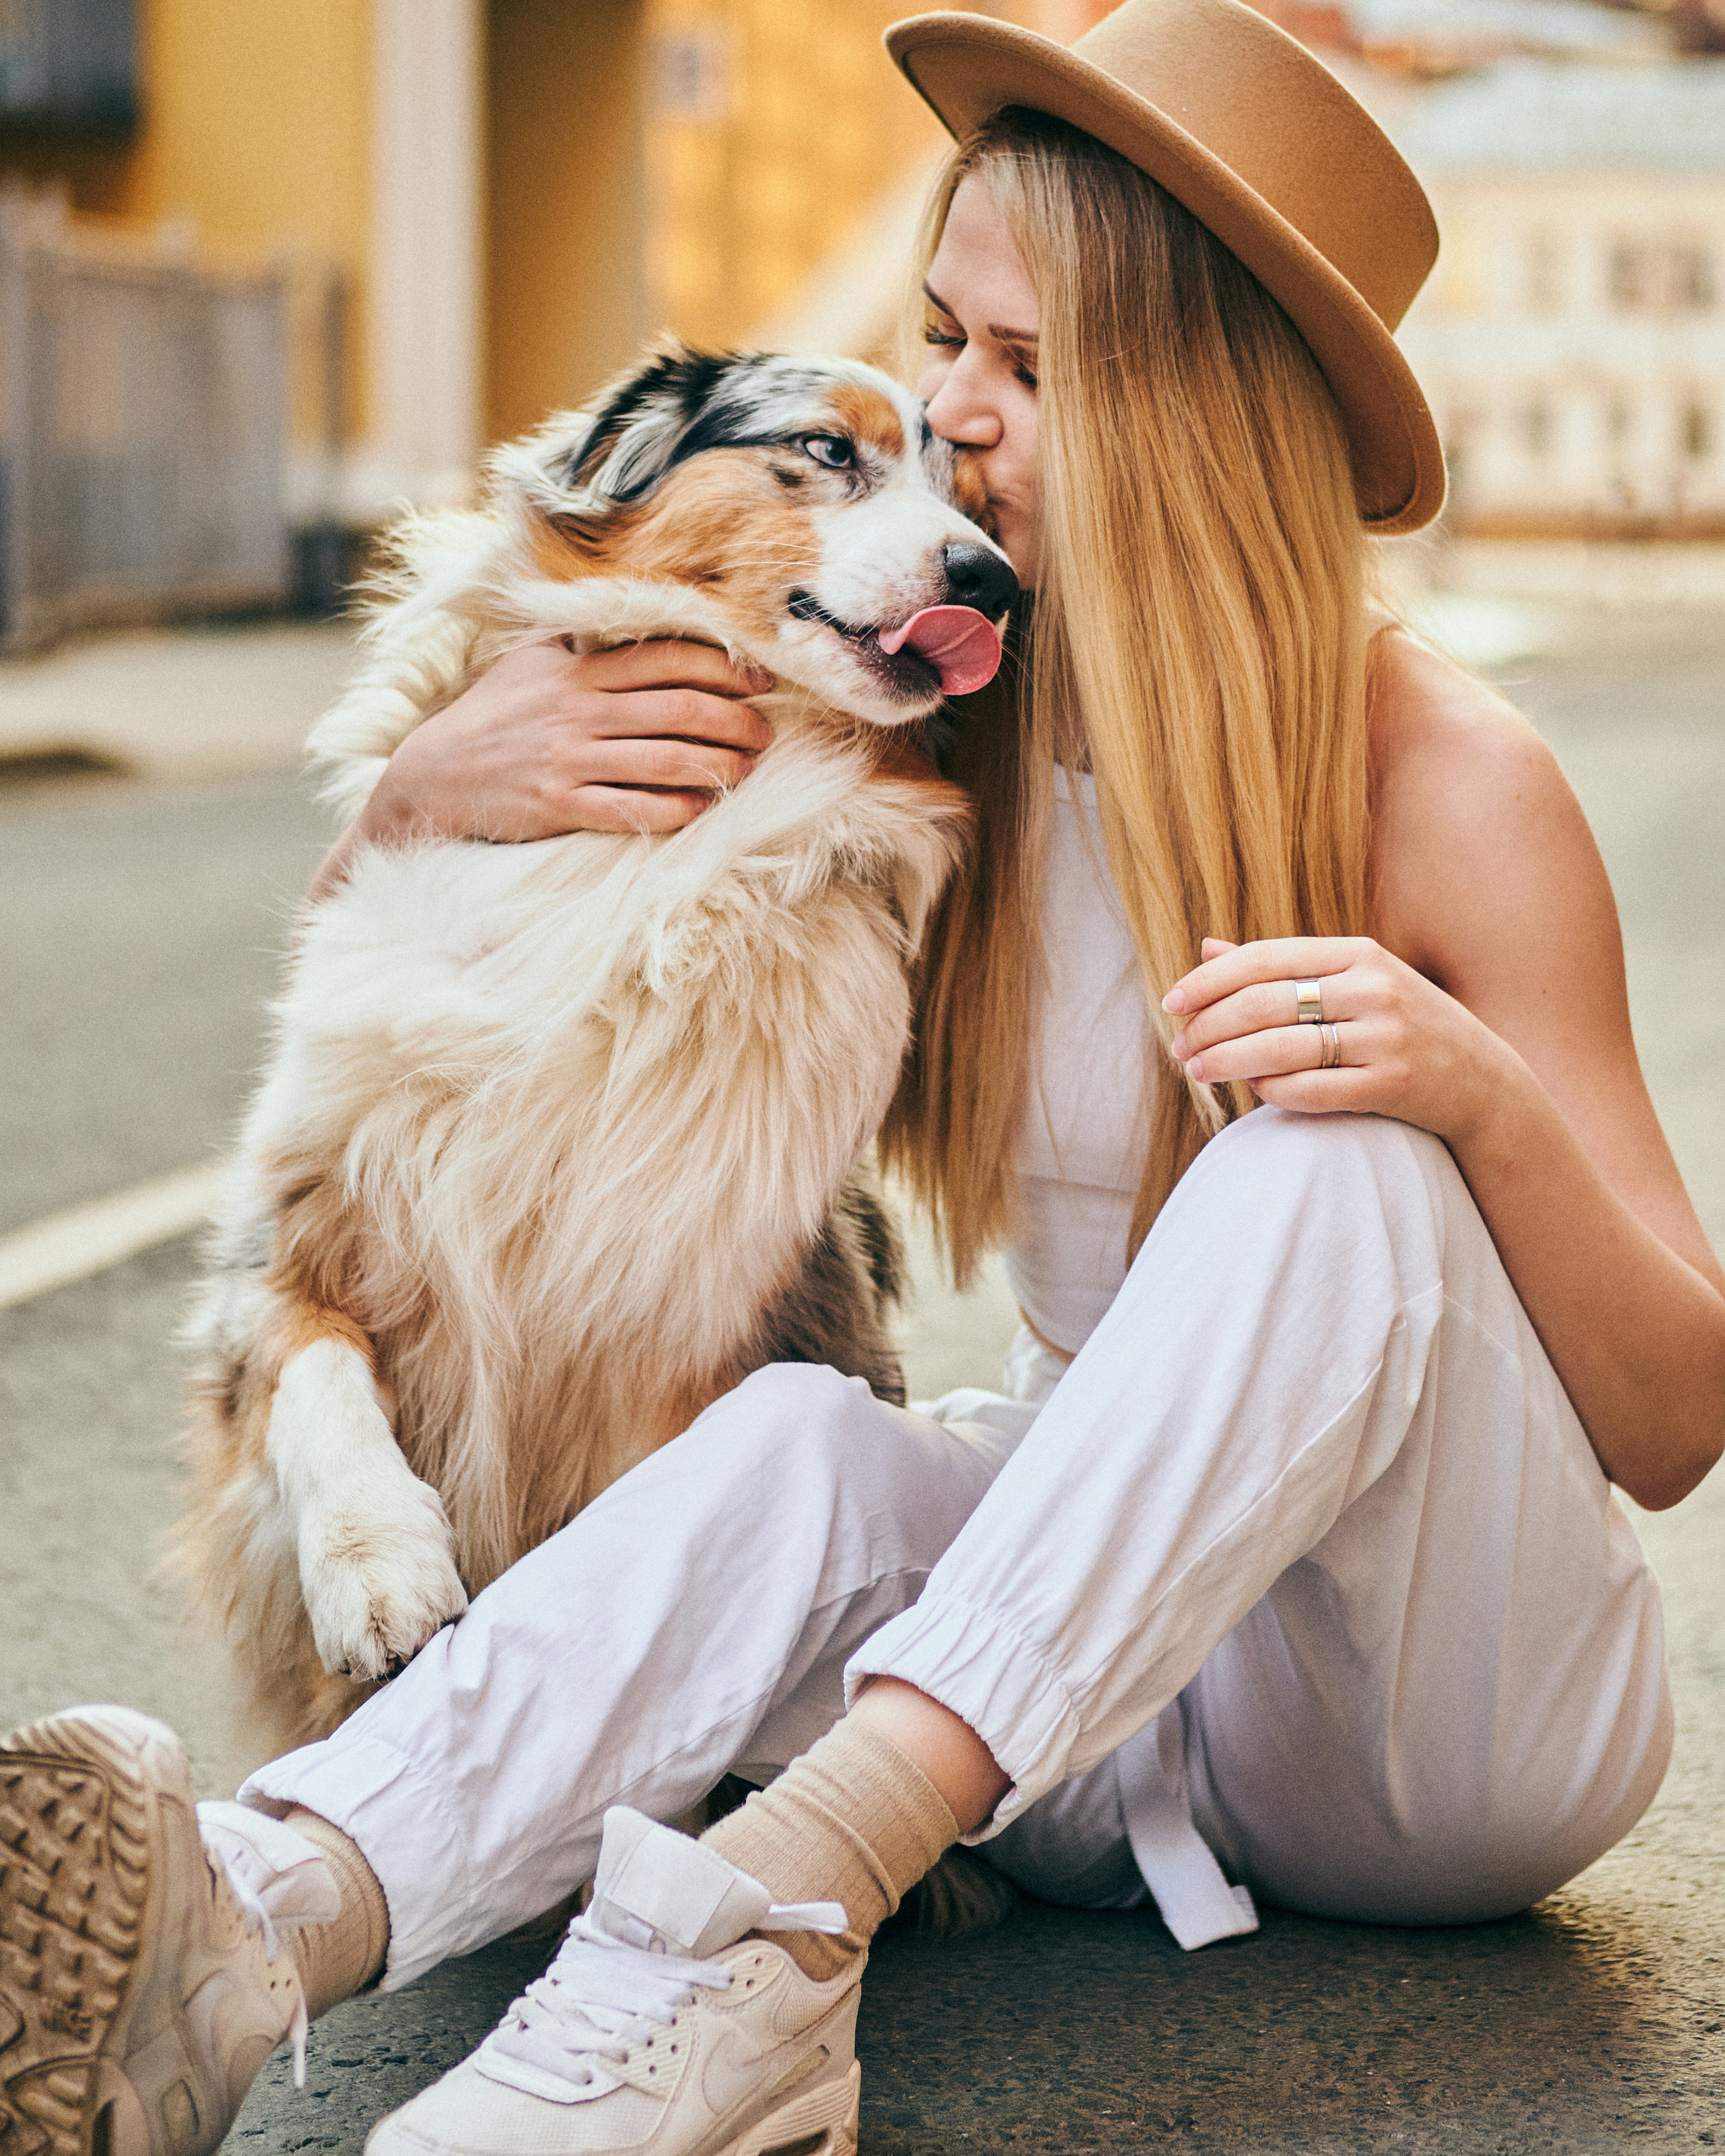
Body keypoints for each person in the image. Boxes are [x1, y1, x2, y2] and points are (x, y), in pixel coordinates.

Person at [5, 3, 1722, 2154]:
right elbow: (505, 1014)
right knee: (812, 1442)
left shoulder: (1446, 777)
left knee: (1334, 1162)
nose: (949, 416)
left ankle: (756, 1937)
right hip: (1100, 1700)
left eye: (1023, 367)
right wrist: (419, 799)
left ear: (1190, 406)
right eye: (942, 338)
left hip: (1444, 1732)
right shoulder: (934, 740)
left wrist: (1467, 1089)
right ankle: (237, 1927)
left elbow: (1672, 1417)